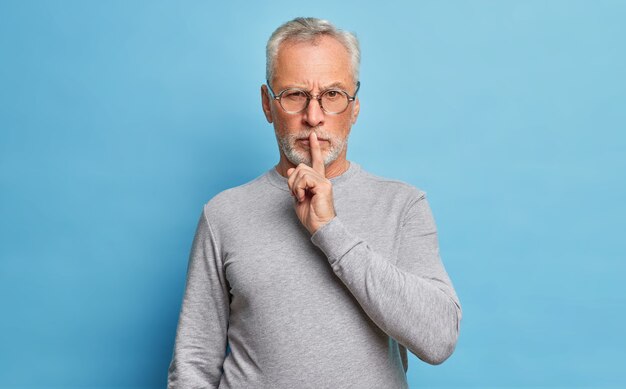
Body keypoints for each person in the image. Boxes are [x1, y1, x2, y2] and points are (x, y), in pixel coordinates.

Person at [167, 17, 462, 389]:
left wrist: (329, 230)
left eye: (333, 95)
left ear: (354, 107)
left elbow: (438, 339)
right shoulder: (223, 213)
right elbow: (194, 361)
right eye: (294, 95)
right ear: (267, 104)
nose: (314, 116)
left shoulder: (402, 206)